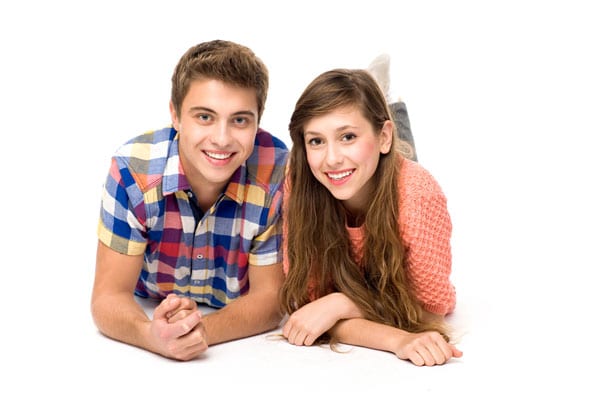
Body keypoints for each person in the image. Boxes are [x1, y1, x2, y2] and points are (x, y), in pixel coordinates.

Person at [91, 40, 289, 361]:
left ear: (258, 121)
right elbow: (108, 296)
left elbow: (270, 300)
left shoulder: (277, 172)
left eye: (240, 120)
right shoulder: (133, 172)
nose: (222, 139)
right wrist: (149, 335)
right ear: (176, 115)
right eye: (205, 117)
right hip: (151, 301)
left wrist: (196, 333)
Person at [279, 66, 463, 366]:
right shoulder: (301, 180)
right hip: (367, 173)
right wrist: (388, 332)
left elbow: (430, 311)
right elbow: (309, 305)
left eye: (348, 136)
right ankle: (375, 104)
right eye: (316, 141)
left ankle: (389, 103)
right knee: (361, 165)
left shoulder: (419, 197)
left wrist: (343, 303)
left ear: (383, 136)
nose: (331, 158)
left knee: (402, 159)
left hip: (395, 186)